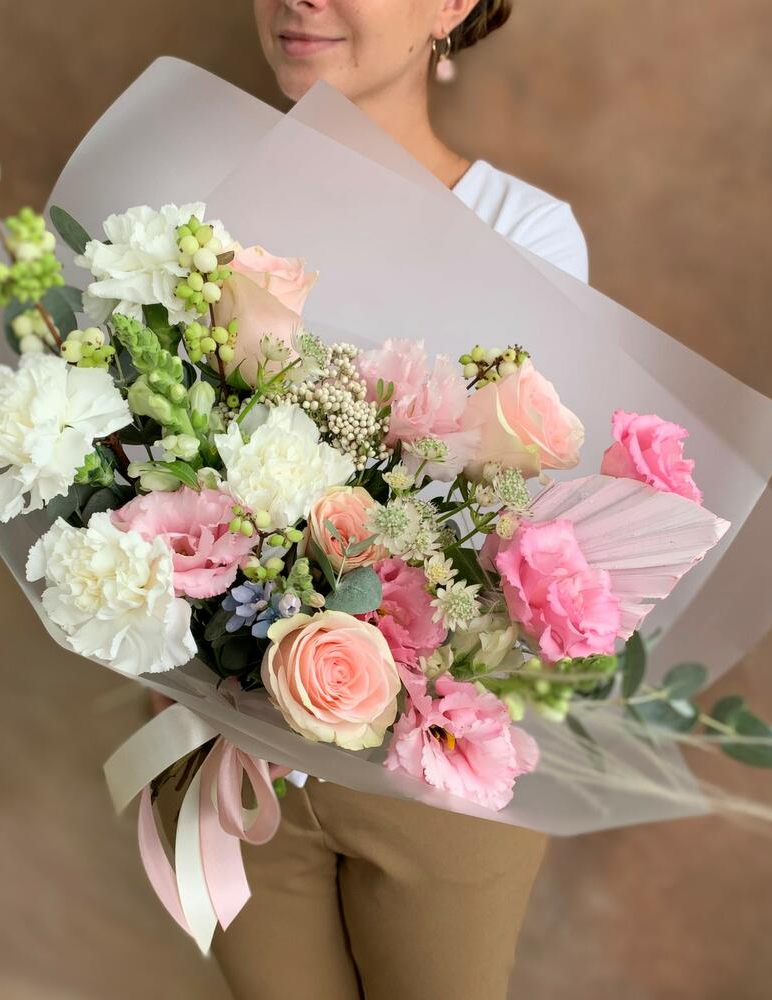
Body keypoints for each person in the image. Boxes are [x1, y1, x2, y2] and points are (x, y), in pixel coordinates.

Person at [154, 3, 589, 998]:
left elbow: (506, 520)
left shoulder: (523, 232)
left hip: (431, 762)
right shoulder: (193, 210)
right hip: (230, 752)